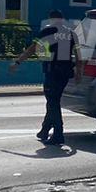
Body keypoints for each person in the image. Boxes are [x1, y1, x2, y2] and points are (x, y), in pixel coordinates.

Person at [10, 9, 77, 145]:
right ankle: (45, 129)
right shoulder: (71, 33)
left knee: (53, 102)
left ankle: (58, 133)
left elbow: (32, 48)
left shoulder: (47, 31)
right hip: (65, 73)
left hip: (52, 72)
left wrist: (17, 62)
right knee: (53, 101)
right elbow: (78, 54)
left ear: (51, 19)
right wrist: (79, 72)